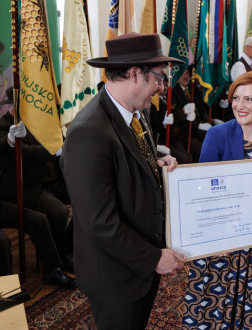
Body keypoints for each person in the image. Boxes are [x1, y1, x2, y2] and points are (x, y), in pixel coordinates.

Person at [60, 33, 187, 329]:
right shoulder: (88, 132)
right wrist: (154, 257)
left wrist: (156, 165)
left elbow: (126, 161)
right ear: (133, 74)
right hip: (116, 274)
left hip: (138, 268)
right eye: (159, 78)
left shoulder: (135, 112)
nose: (161, 88)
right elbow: (100, 221)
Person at [182, 71, 252, 329]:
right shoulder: (218, 135)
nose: (240, 105)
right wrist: (218, 235)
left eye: (249, 99)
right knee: (215, 294)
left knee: (251, 293)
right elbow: (203, 186)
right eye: (236, 98)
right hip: (221, 228)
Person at [0, 88, 73, 274]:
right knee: (58, 212)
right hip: (24, 186)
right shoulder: (0, 127)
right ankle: (60, 258)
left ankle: (68, 246)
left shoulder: (36, 122)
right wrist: (53, 151)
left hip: (49, 181)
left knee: (85, 197)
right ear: (16, 105)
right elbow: (21, 153)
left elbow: (52, 140)